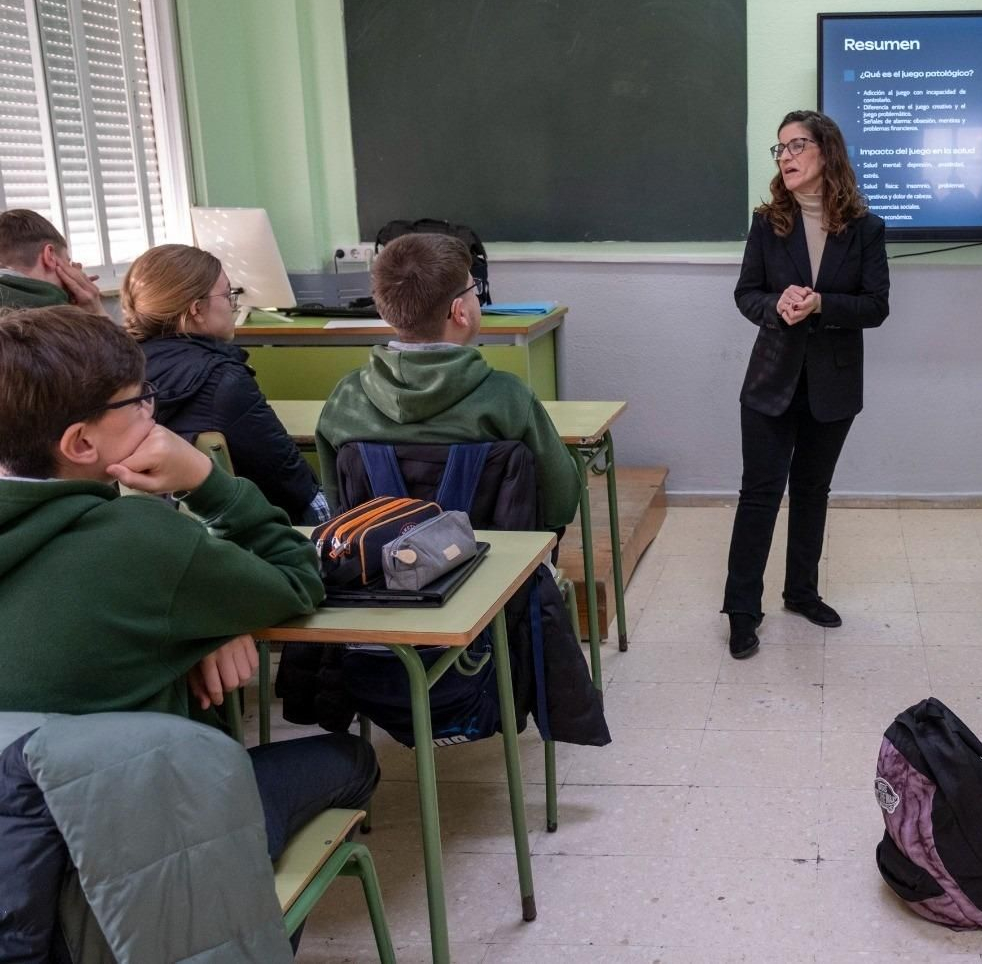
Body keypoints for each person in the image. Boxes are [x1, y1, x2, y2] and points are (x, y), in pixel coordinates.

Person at [0, 305, 378, 862]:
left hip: (21, 847)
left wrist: (201, 625)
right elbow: (300, 577)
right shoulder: (144, 542)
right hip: (138, 840)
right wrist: (206, 479)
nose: (154, 411)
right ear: (81, 443)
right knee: (354, 760)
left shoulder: (145, 548)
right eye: (138, 401)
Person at [722, 109, 890, 660]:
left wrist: (822, 305)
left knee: (812, 492)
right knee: (760, 495)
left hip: (833, 388)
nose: (786, 157)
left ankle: (801, 593)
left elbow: (876, 306)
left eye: (796, 146)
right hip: (771, 380)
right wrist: (778, 305)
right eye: (780, 149)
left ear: (826, 153)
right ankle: (743, 612)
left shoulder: (865, 227)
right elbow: (747, 294)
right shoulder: (768, 221)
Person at [314, 232, 580, 528]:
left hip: (376, 568)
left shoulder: (345, 398)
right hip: (499, 567)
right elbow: (562, 505)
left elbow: (338, 506)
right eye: (473, 289)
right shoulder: (508, 397)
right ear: (460, 311)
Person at [122, 243, 329, 522]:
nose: (234, 305)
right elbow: (289, 480)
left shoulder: (117, 377)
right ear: (196, 309)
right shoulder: (223, 381)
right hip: (249, 532)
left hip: (160, 532)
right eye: (228, 295)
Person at [0, 208, 107, 314]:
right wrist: (96, 310)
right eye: (67, 261)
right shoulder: (53, 310)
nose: (72, 269)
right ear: (50, 256)